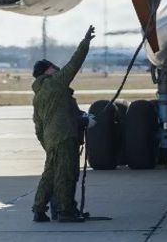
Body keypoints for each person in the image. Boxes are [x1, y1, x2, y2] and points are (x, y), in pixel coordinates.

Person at [31, 25, 95, 223]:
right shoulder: (56, 83)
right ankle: (65, 211)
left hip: (52, 140)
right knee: (66, 174)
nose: (56, 68)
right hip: (64, 137)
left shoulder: (38, 95)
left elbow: (38, 126)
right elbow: (74, 63)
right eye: (52, 67)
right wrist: (85, 42)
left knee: (50, 175)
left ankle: (39, 210)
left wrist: (48, 145)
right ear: (47, 71)